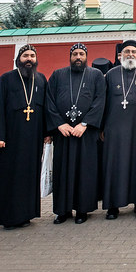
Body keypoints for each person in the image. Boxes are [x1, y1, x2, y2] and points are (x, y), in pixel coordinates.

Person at [0, 45, 49, 230]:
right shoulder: (6, 79)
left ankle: (26, 213)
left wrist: (47, 133)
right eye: (25, 56)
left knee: (29, 175)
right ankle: (8, 216)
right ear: (18, 59)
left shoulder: (41, 79)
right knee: (9, 176)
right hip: (10, 138)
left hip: (33, 138)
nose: (29, 59)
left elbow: (45, 108)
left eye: (32, 55)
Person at [46, 43, 106, 224]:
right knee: (62, 172)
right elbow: (49, 101)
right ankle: (62, 211)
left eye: (81, 54)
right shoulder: (58, 75)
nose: (78, 57)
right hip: (64, 133)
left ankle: (82, 210)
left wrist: (85, 124)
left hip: (85, 133)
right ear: (70, 56)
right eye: (75, 54)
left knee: (84, 171)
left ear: (86, 56)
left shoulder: (95, 75)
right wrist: (59, 124)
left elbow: (100, 100)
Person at [101, 40, 136, 219]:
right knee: (114, 166)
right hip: (114, 129)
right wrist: (101, 127)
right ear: (121, 55)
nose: (130, 54)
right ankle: (112, 206)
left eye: (133, 51)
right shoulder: (110, 74)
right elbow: (102, 103)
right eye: (127, 52)